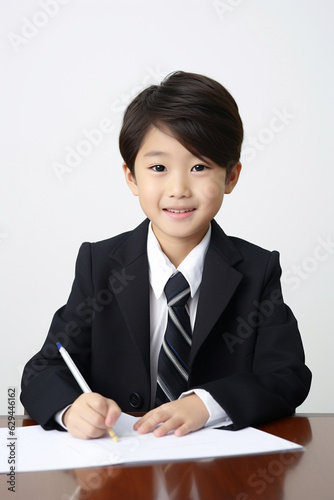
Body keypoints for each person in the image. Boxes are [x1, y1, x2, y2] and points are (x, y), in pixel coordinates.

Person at [20, 71, 312, 440]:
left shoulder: (257, 270)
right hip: (118, 470)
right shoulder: (100, 264)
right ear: (131, 177)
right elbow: (43, 369)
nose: (178, 189)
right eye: (158, 168)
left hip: (216, 474)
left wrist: (207, 404)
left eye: (200, 167)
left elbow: (286, 376)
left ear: (231, 177)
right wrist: (70, 409)